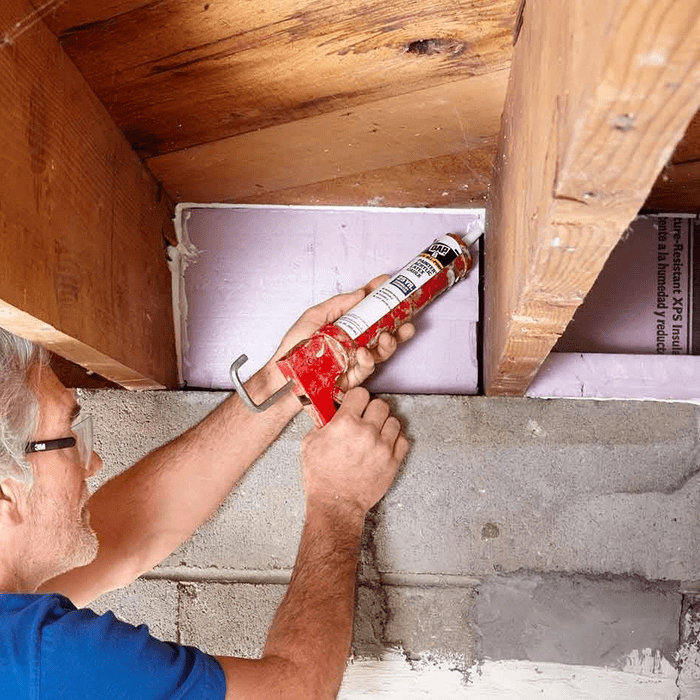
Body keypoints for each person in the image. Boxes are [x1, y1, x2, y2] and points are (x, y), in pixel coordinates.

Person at [0, 280, 414, 700]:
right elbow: (294, 693)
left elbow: (129, 534)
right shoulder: (44, 658)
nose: (93, 463)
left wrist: (285, 379)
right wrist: (339, 503)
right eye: (68, 438)